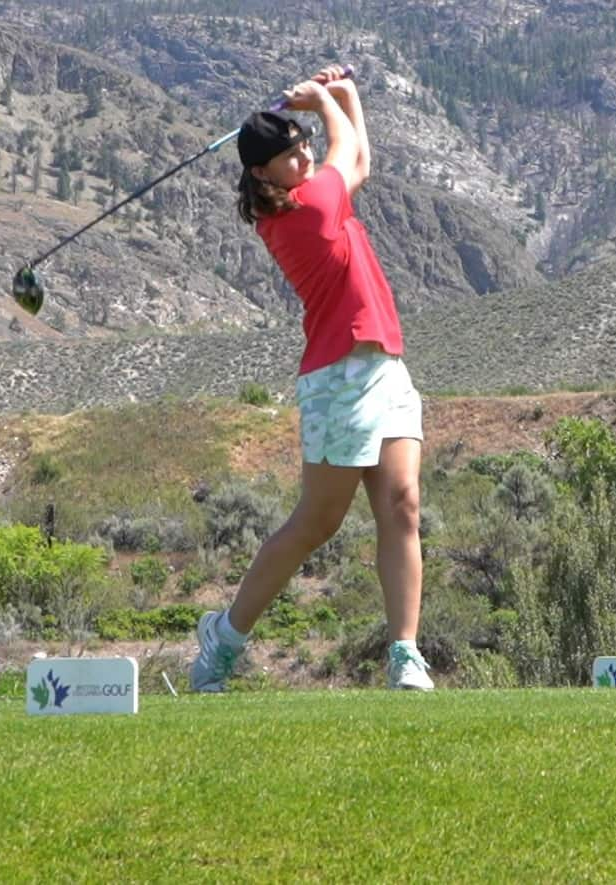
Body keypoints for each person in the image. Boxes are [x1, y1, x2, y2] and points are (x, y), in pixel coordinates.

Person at [190, 64, 433, 692]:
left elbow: (359, 163)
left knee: (402, 507)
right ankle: (226, 635)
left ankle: (405, 652)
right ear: (261, 174)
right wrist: (327, 100)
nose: (302, 157)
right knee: (316, 523)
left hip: (385, 366)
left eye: (302, 148)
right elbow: (346, 151)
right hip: (337, 376)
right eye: (289, 153)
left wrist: (347, 96)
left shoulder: (318, 192)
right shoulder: (300, 210)